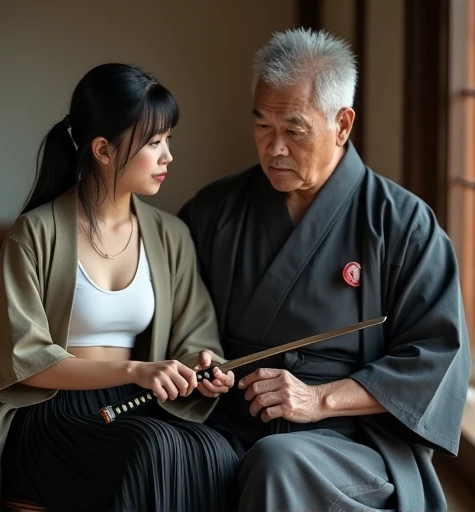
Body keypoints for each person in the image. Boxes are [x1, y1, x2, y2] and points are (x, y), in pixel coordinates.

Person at [179, 28, 472, 511]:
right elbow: (177, 318)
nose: (274, 149)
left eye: (293, 130)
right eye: (262, 127)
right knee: (158, 453)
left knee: (277, 462)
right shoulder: (216, 210)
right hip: (226, 421)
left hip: (353, 439)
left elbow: (436, 359)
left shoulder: (401, 223)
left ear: (342, 124)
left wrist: (320, 399)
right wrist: (200, 360)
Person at [0, 63, 238, 512]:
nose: (168, 156)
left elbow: (196, 337)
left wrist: (204, 367)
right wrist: (135, 371)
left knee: (218, 453)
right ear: (104, 150)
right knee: (151, 452)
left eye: (168, 139)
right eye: (154, 142)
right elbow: (24, 360)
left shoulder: (171, 236)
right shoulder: (35, 233)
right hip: (52, 412)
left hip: (137, 406)